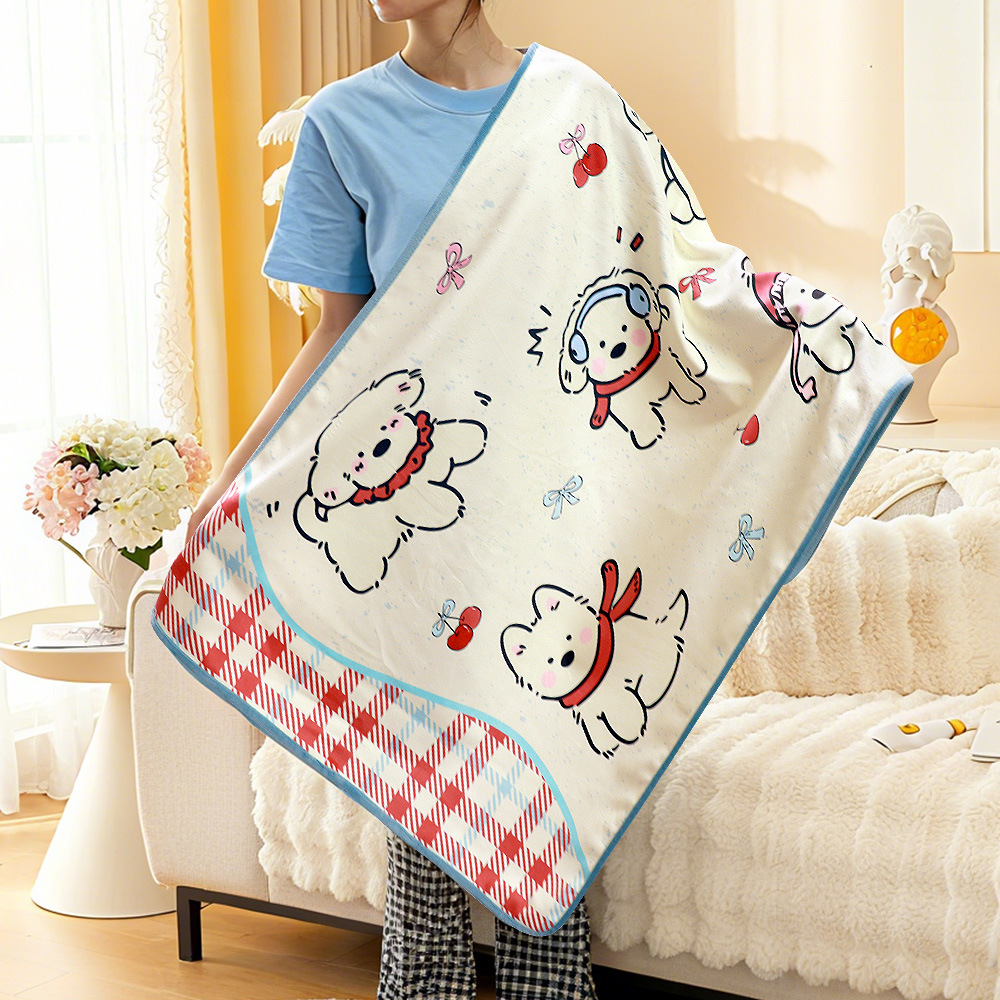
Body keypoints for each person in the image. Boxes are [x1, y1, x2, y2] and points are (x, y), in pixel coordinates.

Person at [183, 2, 600, 998]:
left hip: (552, 488)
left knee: (546, 767)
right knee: (424, 772)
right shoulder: (344, 122)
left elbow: (639, 280)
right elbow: (338, 331)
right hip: (411, 504)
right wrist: (232, 478)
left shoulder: (571, 102)